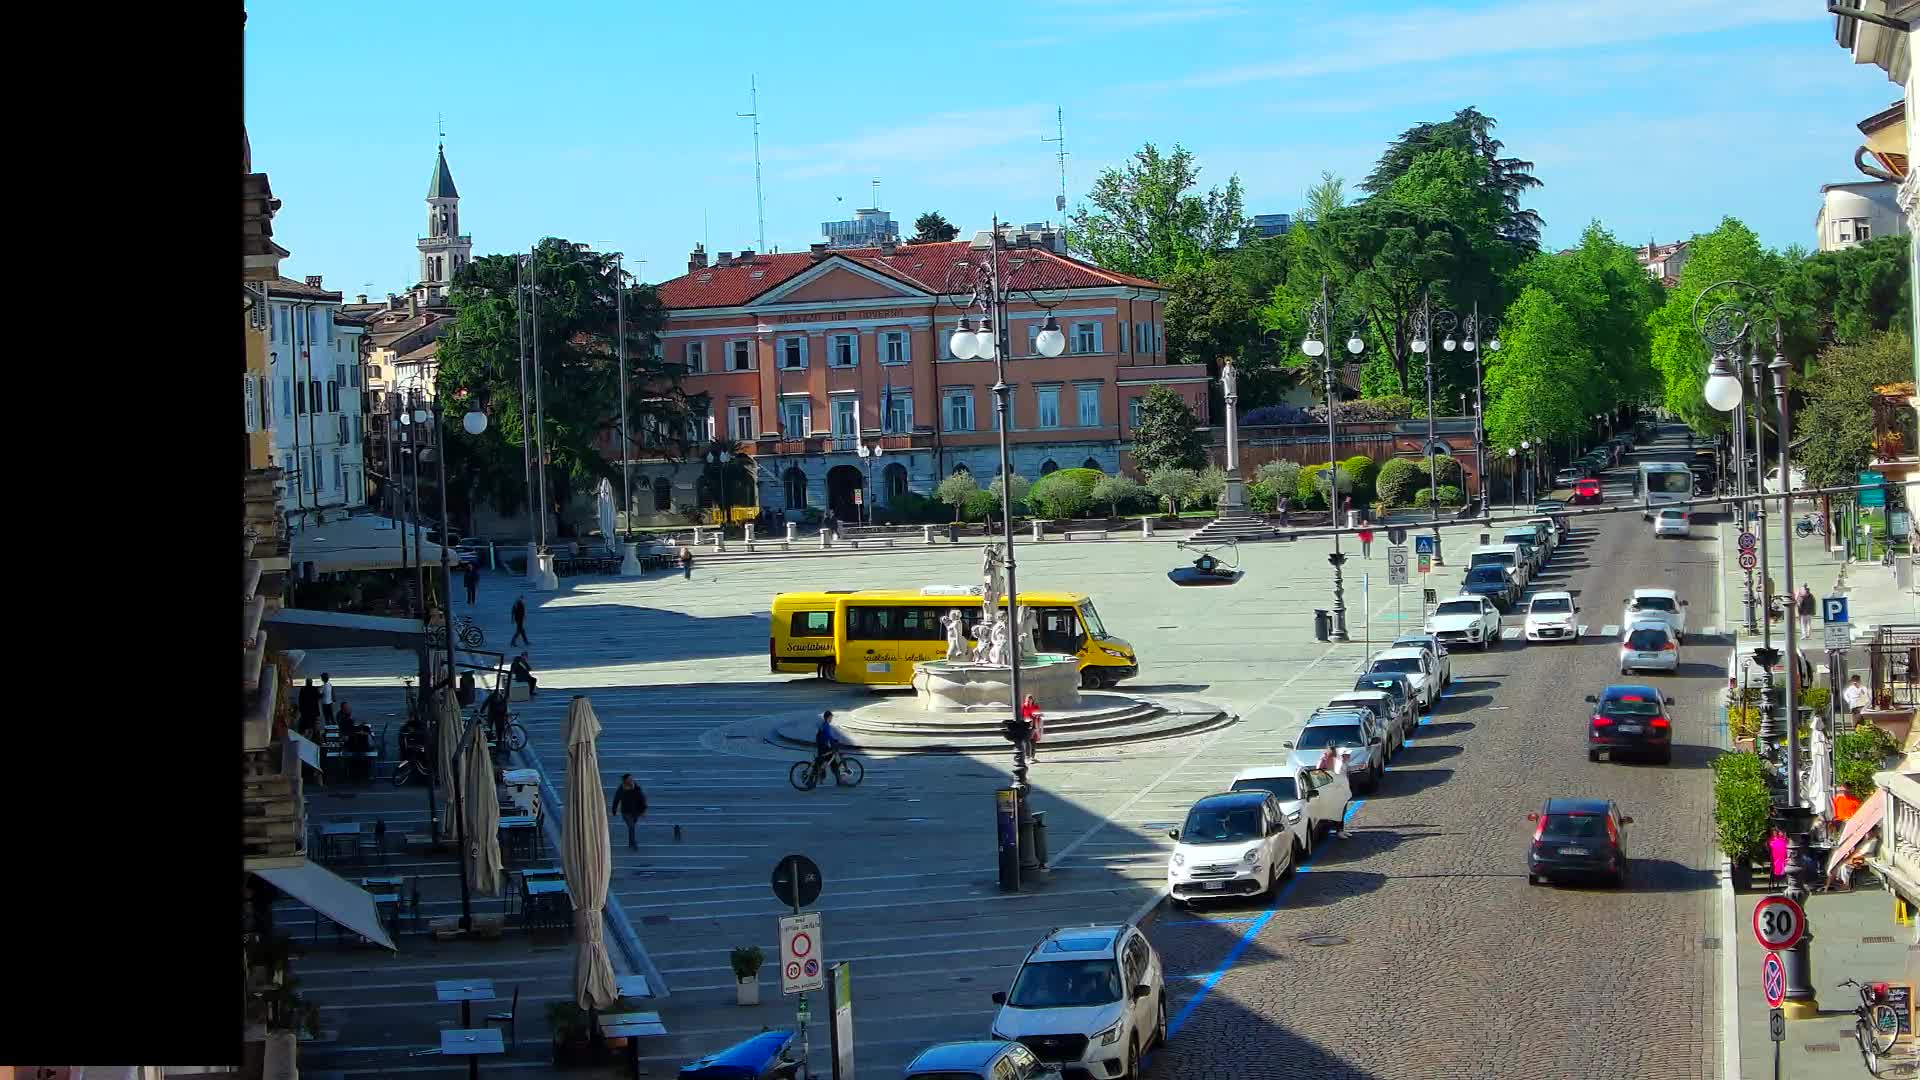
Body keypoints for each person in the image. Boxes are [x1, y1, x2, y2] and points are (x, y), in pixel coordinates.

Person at [610, 774, 648, 849]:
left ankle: (631, 842)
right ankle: (633, 843)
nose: (631, 780)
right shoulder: (621, 789)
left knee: (632, 826)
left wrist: (643, 809)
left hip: (635, 812)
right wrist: (614, 810)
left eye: (631, 778)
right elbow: (616, 799)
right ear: (625, 780)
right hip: (626, 812)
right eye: (629, 779)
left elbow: (642, 798)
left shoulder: (636, 787)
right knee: (631, 826)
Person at [811, 710, 839, 780]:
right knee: (832, 761)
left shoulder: (823, 724)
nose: (831, 719)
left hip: (821, 746)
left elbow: (825, 736)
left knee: (827, 762)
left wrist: (832, 740)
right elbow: (827, 736)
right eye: (831, 717)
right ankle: (839, 780)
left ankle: (812, 780)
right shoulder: (826, 725)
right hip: (823, 747)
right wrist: (834, 741)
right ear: (828, 717)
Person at [1021, 694, 1044, 761]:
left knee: (1033, 741)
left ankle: (1032, 757)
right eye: (1028, 700)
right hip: (1026, 725)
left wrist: (1038, 714)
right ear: (1026, 700)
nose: (1029, 702)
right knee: (1027, 741)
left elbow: (1039, 714)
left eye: (1030, 700)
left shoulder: (1035, 706)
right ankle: (1027, 757)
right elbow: (1021, 715)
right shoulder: (1023, 706)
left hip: (1034, 725)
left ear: (1032, 700)